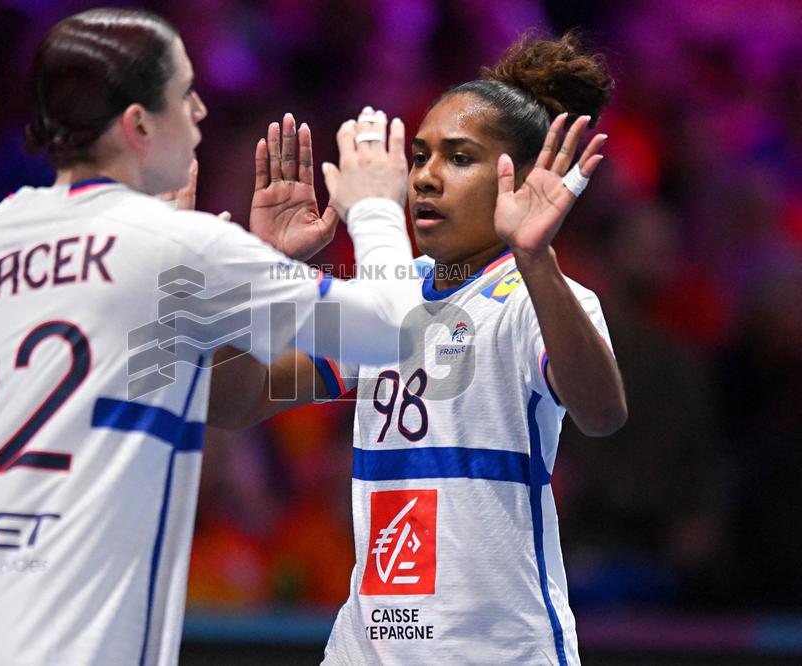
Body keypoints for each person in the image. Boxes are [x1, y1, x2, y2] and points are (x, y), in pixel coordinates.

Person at [0, 8, 422, 665]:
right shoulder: (172, 243)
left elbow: (163, 391)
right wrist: (374, 204)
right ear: (138, 125)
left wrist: (244, 281)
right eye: (183, 95)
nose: (200, 111)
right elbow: (395, 328)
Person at [210, 33, 627, 664]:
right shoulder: (383, 294)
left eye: (459, 159)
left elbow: (601, 413)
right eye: (421, 156)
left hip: (498, 651)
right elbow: (231, 401)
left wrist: (536, 257)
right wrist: (266, 268)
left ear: (518, 181)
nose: (426, 177)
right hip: (366, 648)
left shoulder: (535, 298)